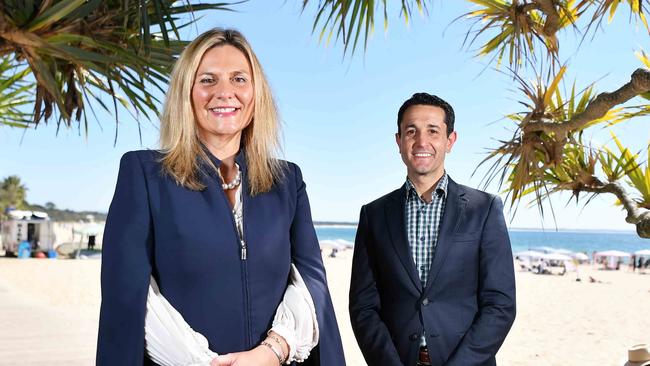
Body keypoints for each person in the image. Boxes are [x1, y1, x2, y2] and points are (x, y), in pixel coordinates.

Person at [96, 28, 345, 366]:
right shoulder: (144, 173)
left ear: (256, 93)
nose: (225, 92)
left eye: (239, 79)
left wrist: (271, 351)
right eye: (208, 80)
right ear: (187, 92)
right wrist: (204, 361)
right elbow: (132, 297)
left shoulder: (287, 181)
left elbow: (309, 280)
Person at [349, 93, 516, 366]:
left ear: (450, 141)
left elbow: (500, 304)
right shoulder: (374, 215)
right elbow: (363, 306)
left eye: (433, 131)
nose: (421, 141)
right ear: (399, 141)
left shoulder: (484, 209)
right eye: (411, 131)